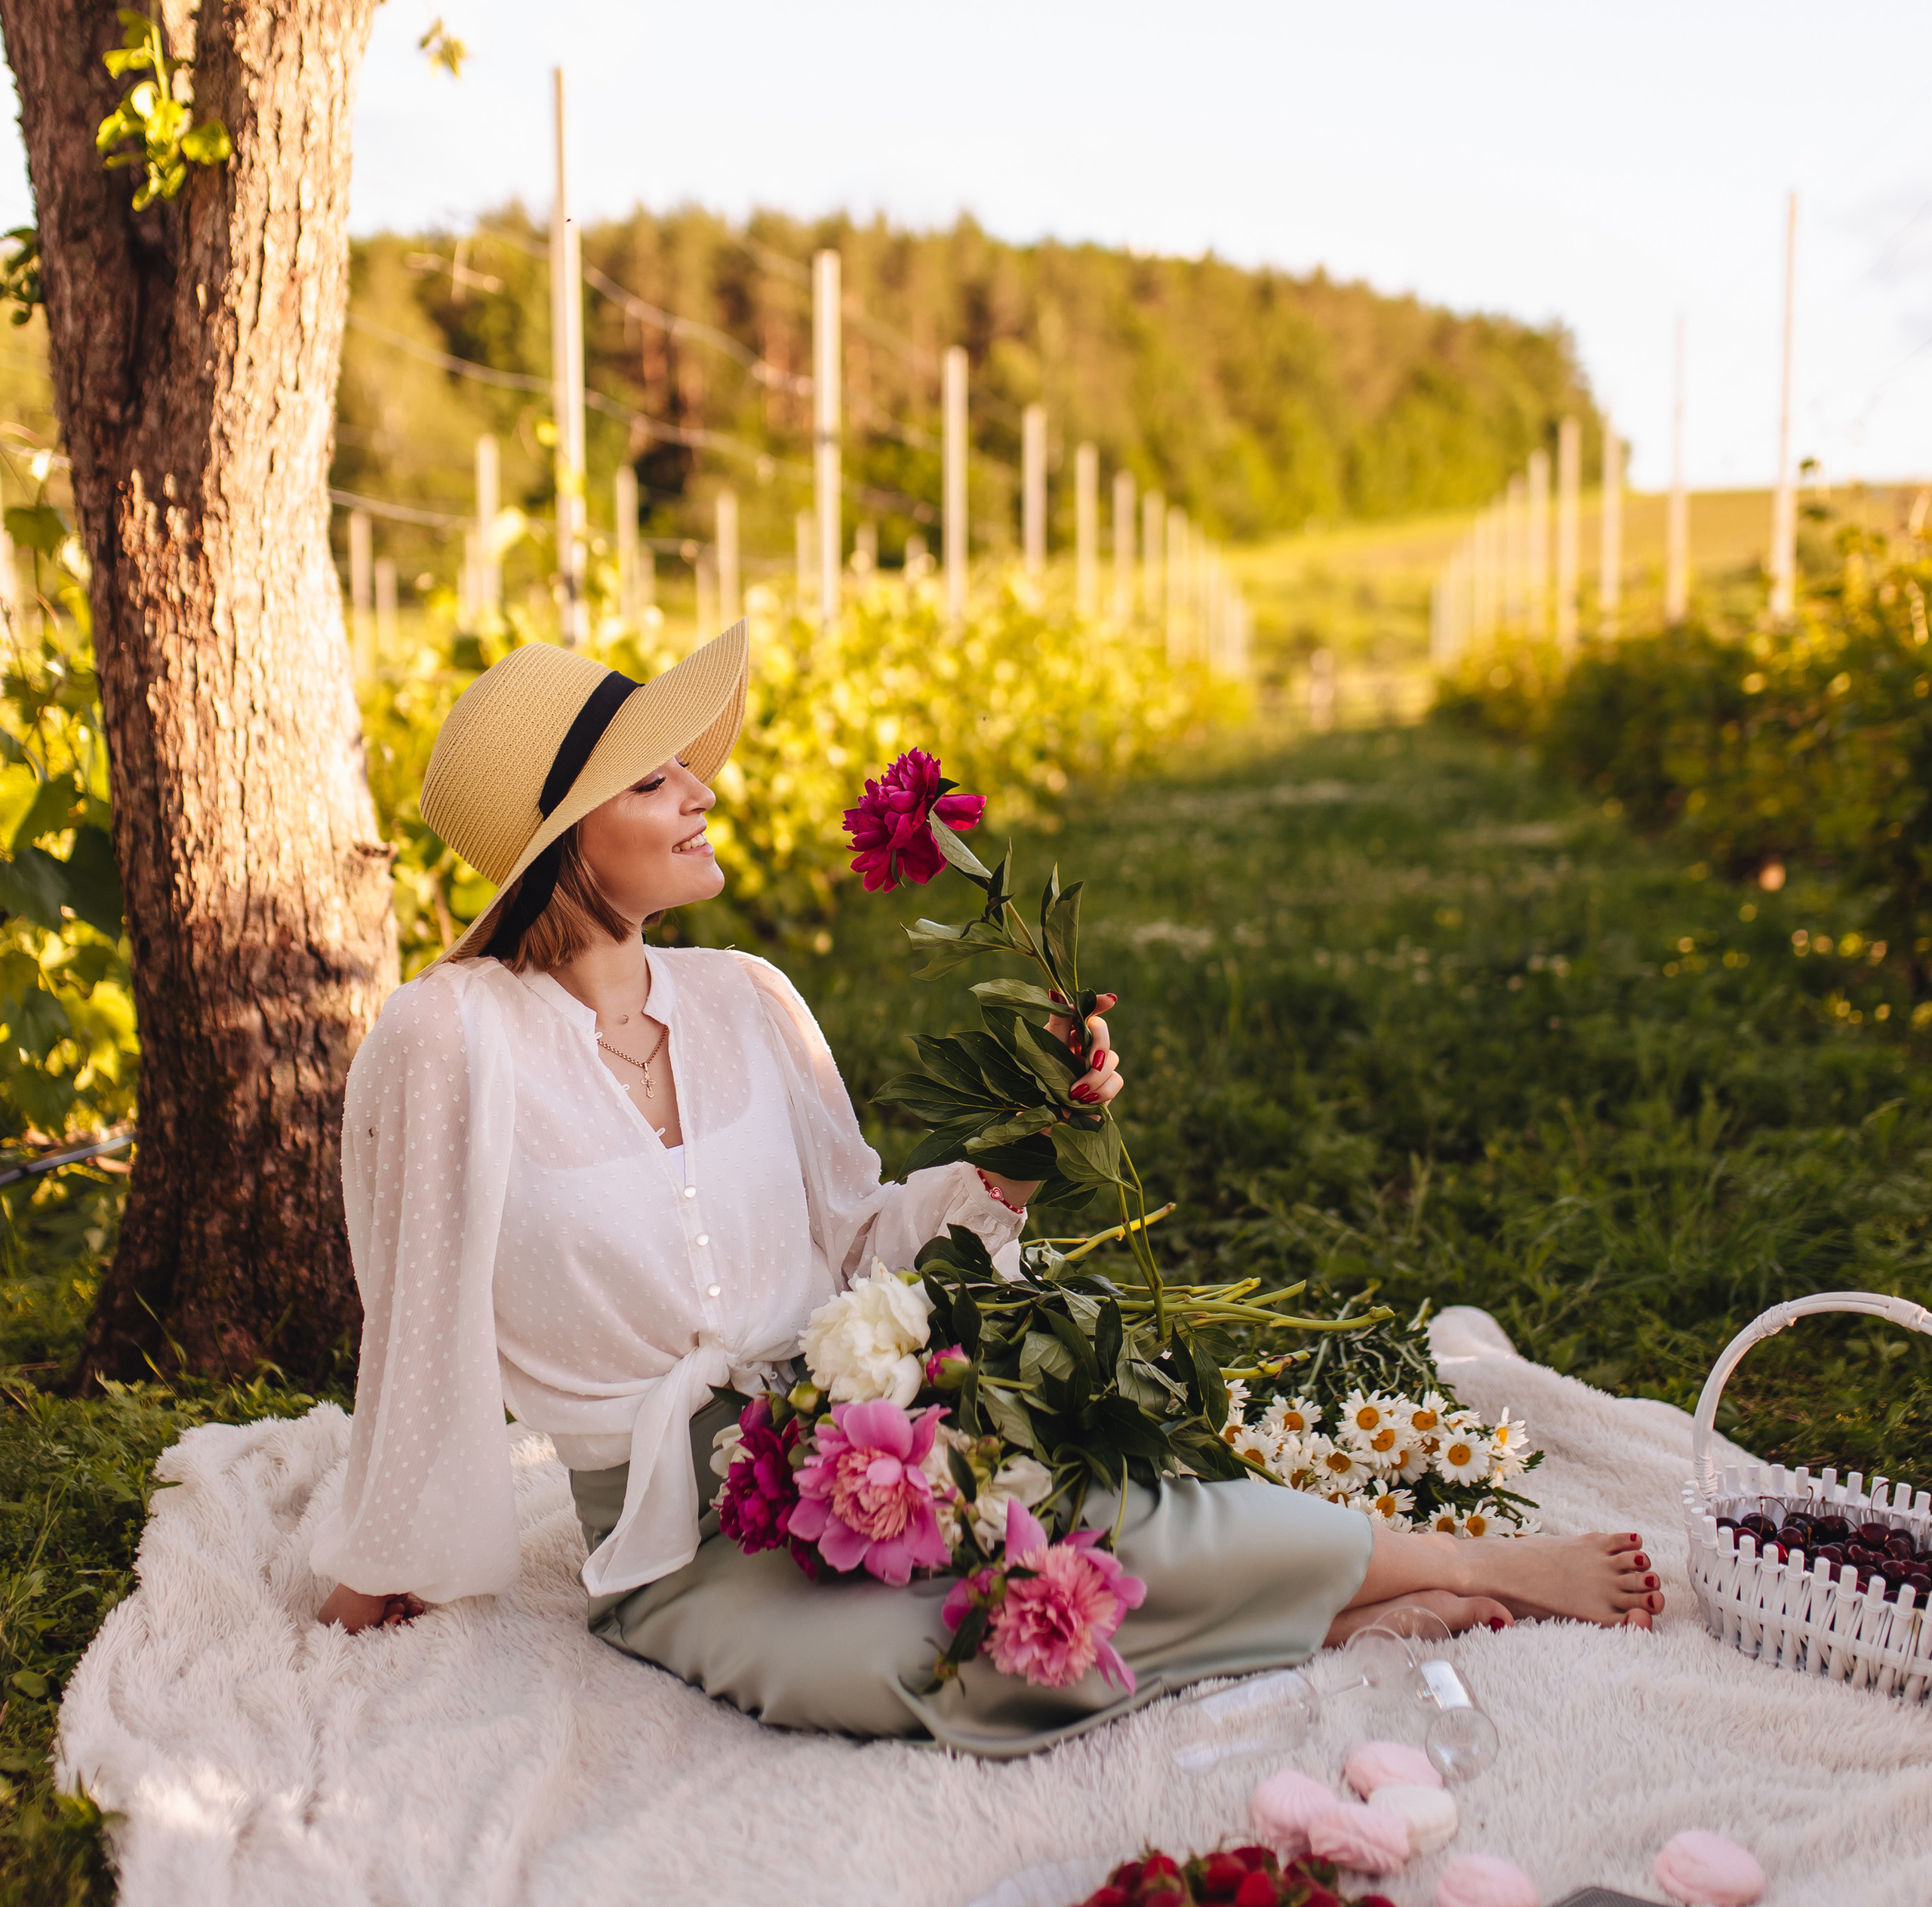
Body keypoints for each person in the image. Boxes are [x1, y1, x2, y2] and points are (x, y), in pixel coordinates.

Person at [316, 628, 1661, 1753]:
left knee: (1116, 1515)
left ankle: (1460, 1568)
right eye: (655, 783)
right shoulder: (450, 1043)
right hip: (674, 1542)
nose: (701, 794)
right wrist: (380, 1570)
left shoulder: (746, 1002)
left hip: (866, 1431)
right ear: (570, 838)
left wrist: (1023, 1149)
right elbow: (419, 1318)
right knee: (932, 1663)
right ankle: (1327, 1616)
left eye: (686, 770)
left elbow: (861, 1244)